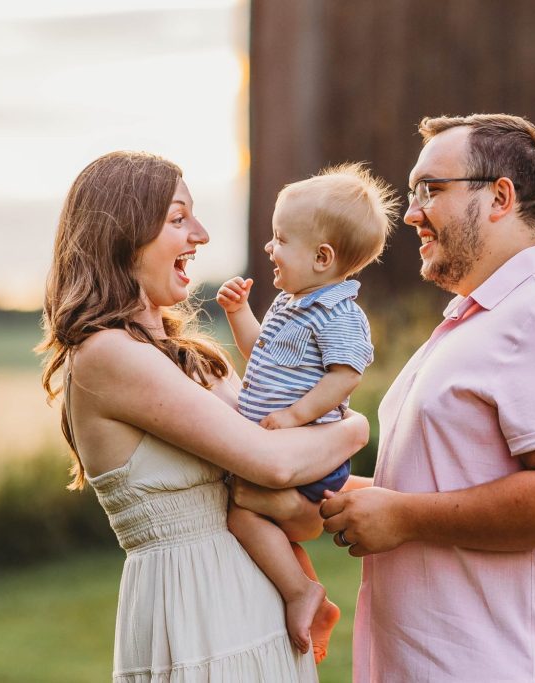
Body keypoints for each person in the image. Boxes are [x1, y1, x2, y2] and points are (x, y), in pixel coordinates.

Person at [320, 114, 535, 682]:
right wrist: (337, 494)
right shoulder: (477, 323)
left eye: (430, 190)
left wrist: (403, 515)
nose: (411, 212)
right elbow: (448, 480)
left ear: (500, 197)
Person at [37, 150, 369, 682]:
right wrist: (355, 429)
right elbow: (274, 464)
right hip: (195, 620)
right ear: (124, 234)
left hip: (256, 618)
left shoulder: (190, 357)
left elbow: (299, 498)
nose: (201, 233)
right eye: (177, 218)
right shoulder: (107, 355)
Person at [215, 163, 396, 661]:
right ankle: (313, 591)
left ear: (322, 257)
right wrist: (239, 315)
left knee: (242, 515)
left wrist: (296, 416)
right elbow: (260, 356)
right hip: (286, 446)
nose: (270, 248)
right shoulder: (289, 304)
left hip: (306, 448)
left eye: (280, 239)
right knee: (272, 520)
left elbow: (347, 375)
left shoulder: (338, 312)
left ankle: (302, 593)